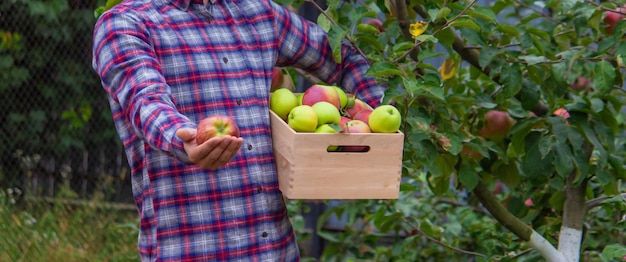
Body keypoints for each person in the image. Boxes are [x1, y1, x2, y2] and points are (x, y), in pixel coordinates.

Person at [91, 0, 385, 260]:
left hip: (275, 250)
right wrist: (183, 138)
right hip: (189, 250)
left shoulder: (259, 14)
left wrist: (375, 123)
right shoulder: (126, 22)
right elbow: (146, 100)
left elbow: (345, 54)